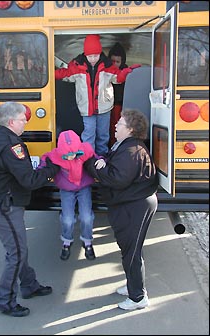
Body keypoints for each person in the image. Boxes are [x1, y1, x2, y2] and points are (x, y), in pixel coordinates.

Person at [0, 102, 60, 317]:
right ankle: (6, 302)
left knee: (18, 248)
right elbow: (29, 180)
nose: (26, 122)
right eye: (23, 119)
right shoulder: (11, 145)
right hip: (5, 206)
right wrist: (53, 168)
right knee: (16, 252)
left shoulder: (1, 138)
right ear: (12, 121)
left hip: (3, 202)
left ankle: (29, 285)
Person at [84, 108, 159, 311]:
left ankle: (137, 297)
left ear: (131, 129)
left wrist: (92, 165)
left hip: (134, 205)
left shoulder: (131, 151)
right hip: (136, 202)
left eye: (120, 123)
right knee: (132, 250)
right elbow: (115, 168)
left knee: (131, 253)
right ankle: (133, 286)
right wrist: (104, 162)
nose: (115, 126)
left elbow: (116, 179)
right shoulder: (127, 146)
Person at [55, 34, 141, 156]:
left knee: (103, 135)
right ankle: (89, 159)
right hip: (86, 108)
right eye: (90, 56)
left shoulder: (107, 66)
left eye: (96, 55)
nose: (93, 59)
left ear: (100, 53)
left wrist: (126, 72)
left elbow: (118, 78)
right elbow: (65, 74)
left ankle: (102, 158)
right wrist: (48, 73)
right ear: (85, 54)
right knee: (88, 135)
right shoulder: (77, 66)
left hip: (104, 107)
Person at [38, 130, 104, 261]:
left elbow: (95, 156)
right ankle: (67, 241)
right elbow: (44, 161)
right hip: (66, 189)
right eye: (67, 155)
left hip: (83, 187)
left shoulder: (85, 150)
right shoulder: (54, 156)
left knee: (87, 217)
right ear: (61, 152)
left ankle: (87, 241)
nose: (71, 157)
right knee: (67, 219)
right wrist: (38, 173)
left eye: (75, 154)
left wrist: (102, 160)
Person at [108, 42, 128, 147]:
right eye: (112, 61)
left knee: (116, 129)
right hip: (106, 106)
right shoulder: (105, 71)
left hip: (119, 105)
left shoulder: (126, 74)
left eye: (117, 61)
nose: (114, 64)